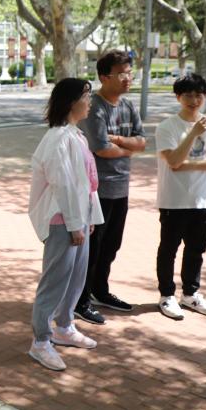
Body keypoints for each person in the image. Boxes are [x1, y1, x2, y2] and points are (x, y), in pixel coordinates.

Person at [28, 78, 104, 372]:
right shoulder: (58, 138)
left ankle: (64, 326)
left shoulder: (75, 135)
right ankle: (40, 341)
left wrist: (89, 219)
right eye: (86, 96)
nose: (90, 102)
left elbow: (86, 184)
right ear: (72, 102)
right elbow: (63, 185)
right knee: (55, 280)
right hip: (63, 220)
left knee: (75, 278)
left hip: (77, 218)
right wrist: (74, 225)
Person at [155, 74, 206, 320]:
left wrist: (187, 165)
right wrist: (193, 133)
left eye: (199, 95)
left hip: (204, 200)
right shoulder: (167, 127)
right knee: (169, 249)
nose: (194, 100)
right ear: (178, 97)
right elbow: (173, 160)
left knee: (196, 250)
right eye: (188, 95)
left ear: (205, 96)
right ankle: (166, 295)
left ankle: (190, 294)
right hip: (174, 200)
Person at [74, 51, 146, 325]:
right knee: (92, 248)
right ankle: (80, 300)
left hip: (121, 187)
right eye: (122, 73)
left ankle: (100, 291)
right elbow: (101, 149)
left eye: (129, 72)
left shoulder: (128, 105)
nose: (128, 78)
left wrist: (118, 141)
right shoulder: (95, 107)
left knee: (112, 245)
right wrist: (128, 146)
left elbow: (142, 142)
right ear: (104, 77)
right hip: (97, 191)